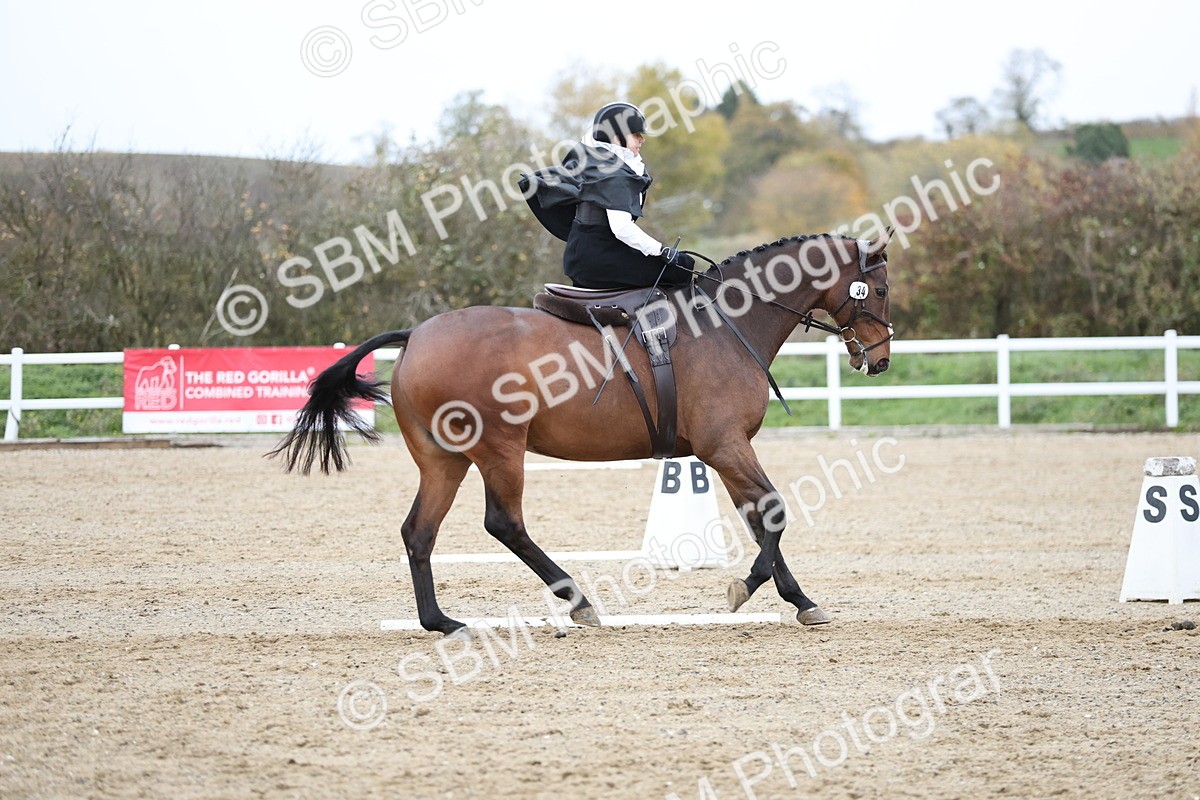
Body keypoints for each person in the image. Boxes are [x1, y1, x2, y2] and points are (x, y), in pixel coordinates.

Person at [520, 102, 696, 290]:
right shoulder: (615, 175)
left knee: (678, 263)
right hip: (600, 258)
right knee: (682, 268)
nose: (642, 139)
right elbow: (621, 228)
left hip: (582, 254)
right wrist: (660, 249)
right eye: (635, 134)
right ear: (616, 137)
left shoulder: (597, 164)